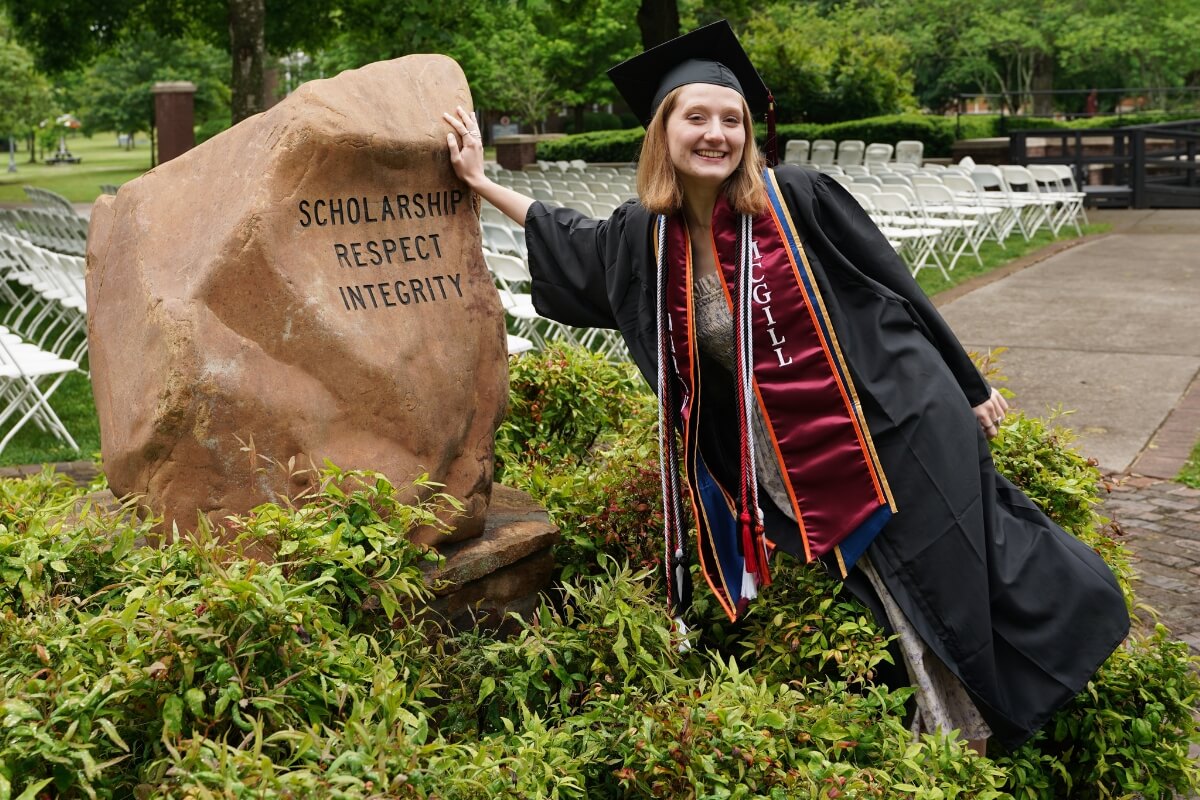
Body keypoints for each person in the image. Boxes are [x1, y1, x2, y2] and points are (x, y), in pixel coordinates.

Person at [443, 20, 1129, 754]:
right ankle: (944, 730)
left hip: (889, 423)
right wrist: (481, 182)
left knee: (951, 568)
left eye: (731, 120)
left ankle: (1008, 709)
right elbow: (565, 234)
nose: (716, 134)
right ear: (662, 132)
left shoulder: (795, 197)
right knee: (885, 593)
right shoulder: (643, 236)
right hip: (777, 457)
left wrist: (967, 381)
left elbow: (891, 282)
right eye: (696, 117)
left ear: (750, 131)